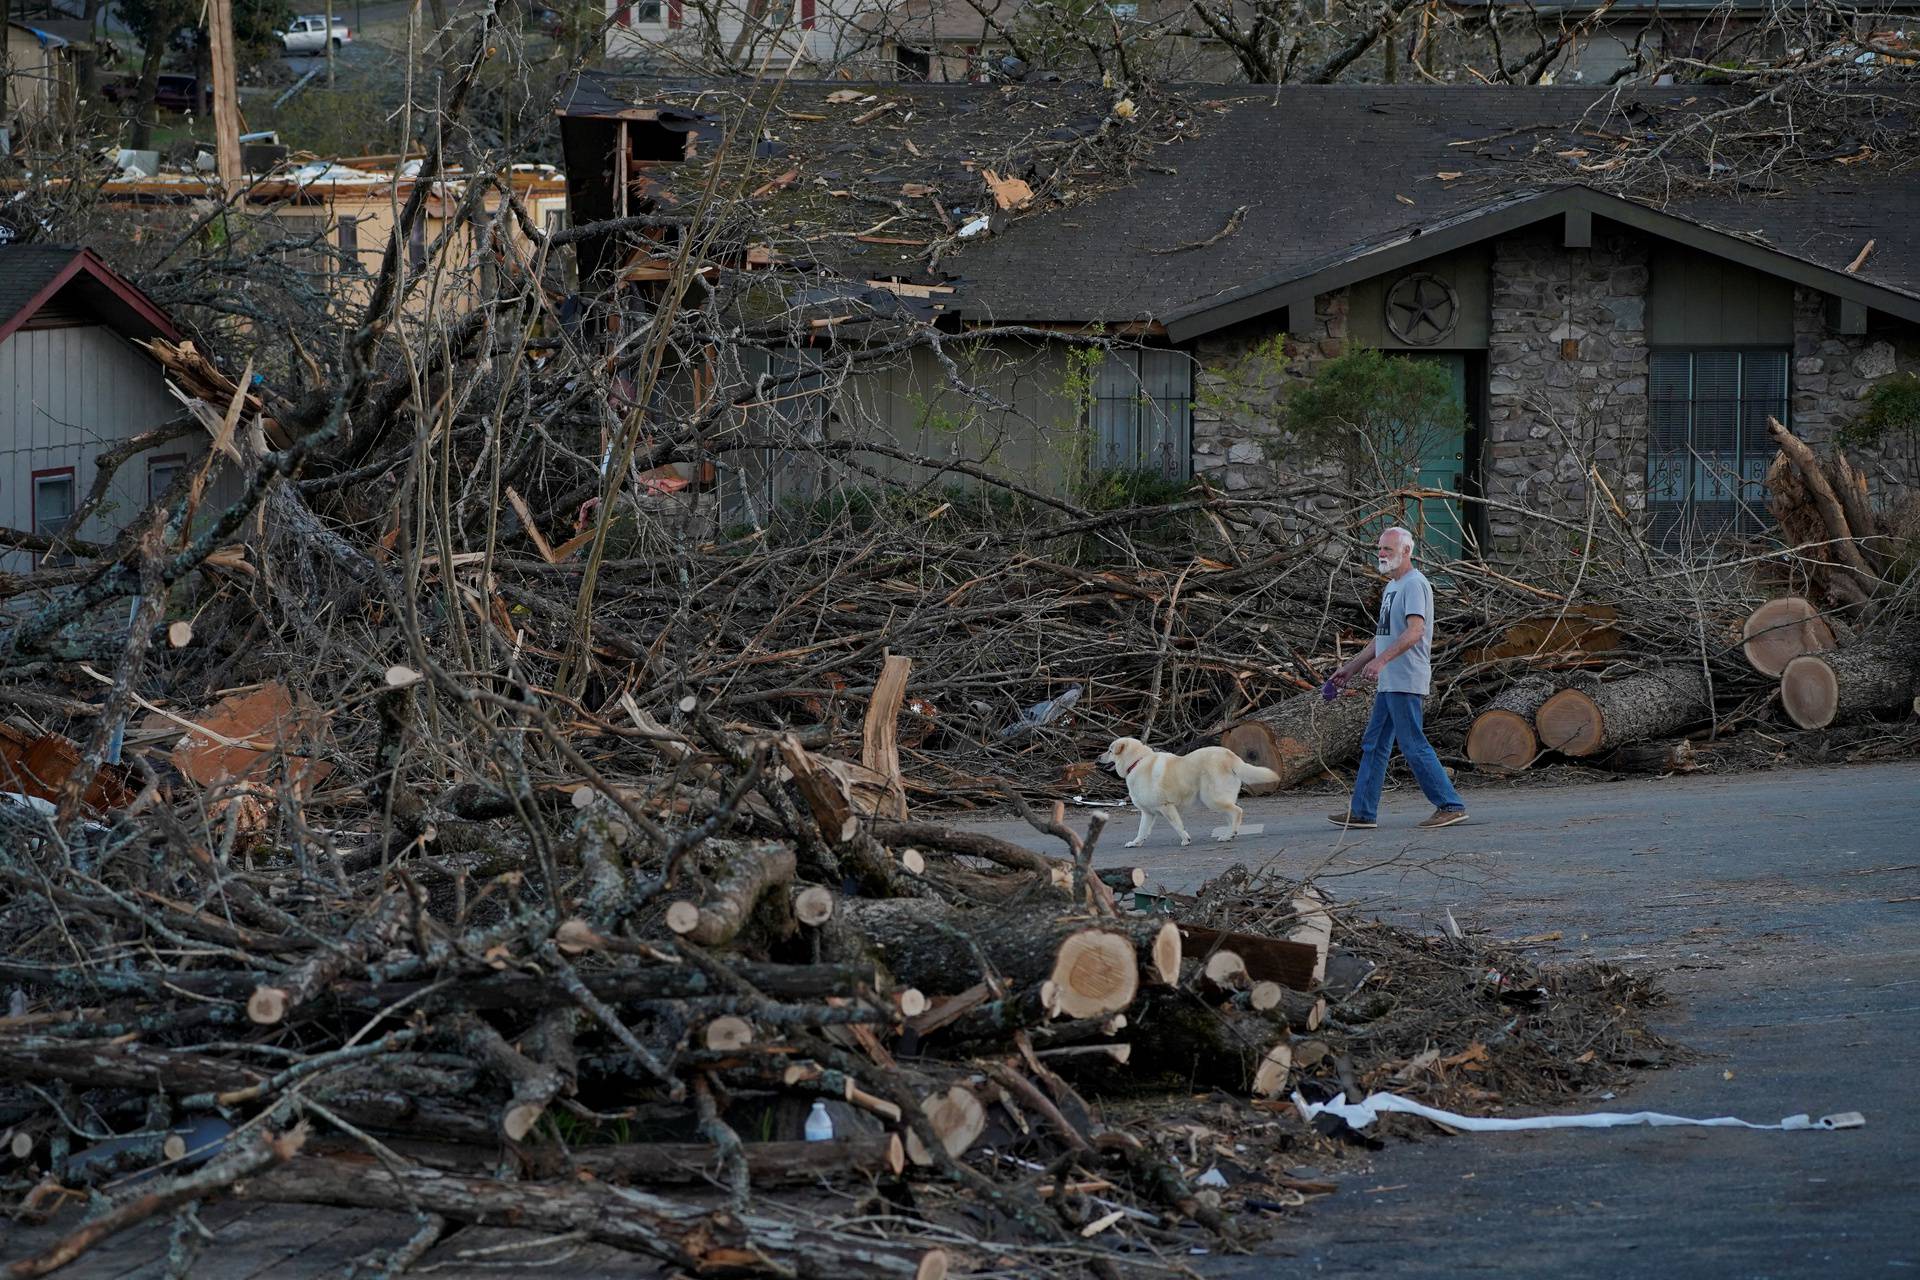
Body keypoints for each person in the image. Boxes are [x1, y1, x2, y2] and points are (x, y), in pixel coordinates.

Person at [1323, 526, 1468, 830]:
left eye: (1388, 549)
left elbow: (1415, 632)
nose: (1382, 554)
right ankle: (1363, 811)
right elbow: (1382, 637)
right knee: (1374, 744)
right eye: (1380, 548)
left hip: (1405, 678)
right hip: (1390, 680)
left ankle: (1450, 804)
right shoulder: (1391, 587)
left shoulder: (1415, 584)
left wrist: (1381, 662)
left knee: (1412, 743)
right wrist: (1349, 668)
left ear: (1407, 552)